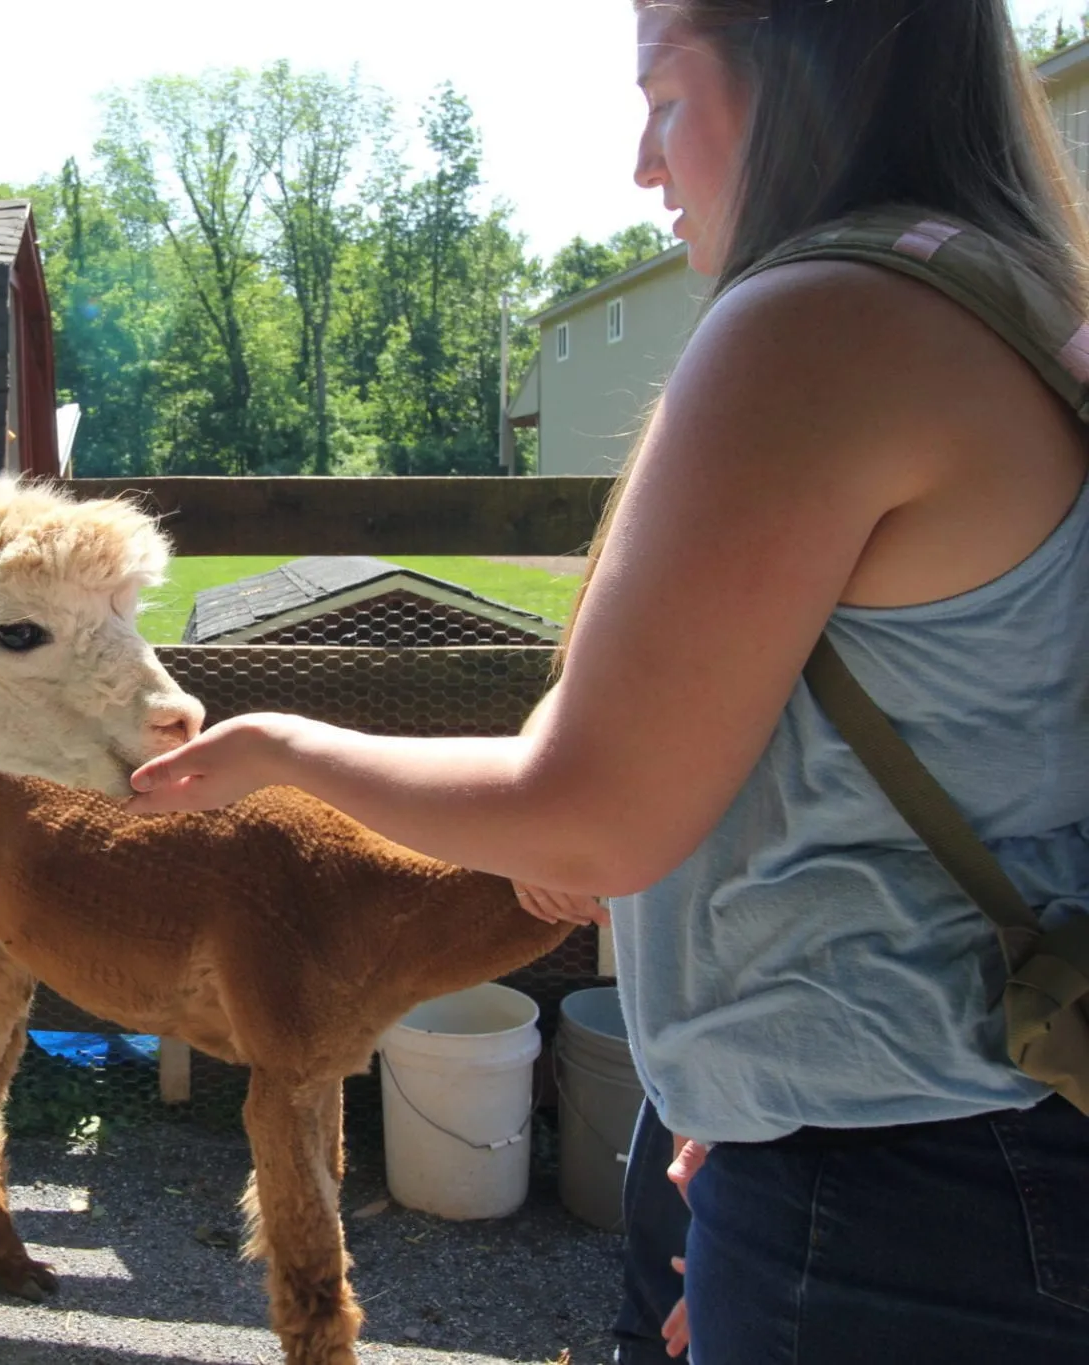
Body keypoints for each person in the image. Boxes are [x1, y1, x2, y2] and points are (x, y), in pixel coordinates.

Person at [129, 3, 1089, 1361]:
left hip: (909, 1182)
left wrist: (285, 746)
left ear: (801, 68)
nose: (647, 162)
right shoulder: (1020, 298)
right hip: (944, 1143)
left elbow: (589, 819)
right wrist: (769, 1112)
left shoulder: (828, 324)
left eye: (667, 95)